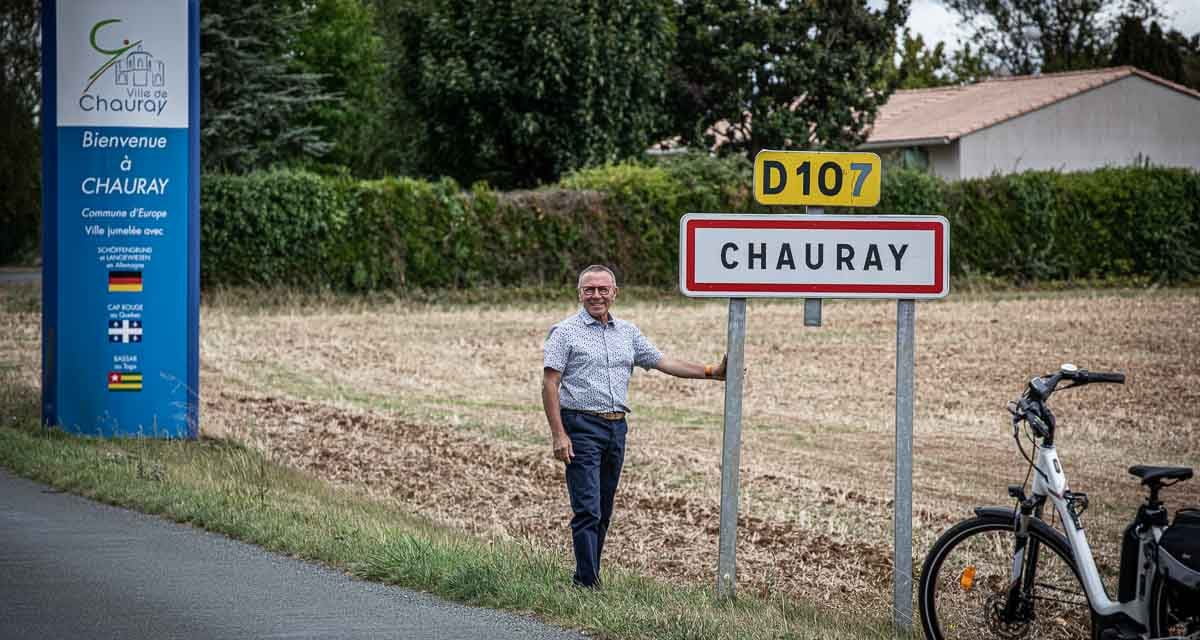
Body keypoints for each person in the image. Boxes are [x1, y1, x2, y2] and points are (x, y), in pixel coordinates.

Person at [541, 264, 726, 589]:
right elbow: (549, 384)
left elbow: (665, 362)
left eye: (602, 289)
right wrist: (559, 434)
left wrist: (711, 371)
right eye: (589, 289)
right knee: (587, 509)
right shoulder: (565, 332)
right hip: (580, 425)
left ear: (615, 293)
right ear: (579, 293)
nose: (596, 295)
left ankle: (586, 578)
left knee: (604, 508)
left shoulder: (627, 332)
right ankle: (587, 583)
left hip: (616, 428)